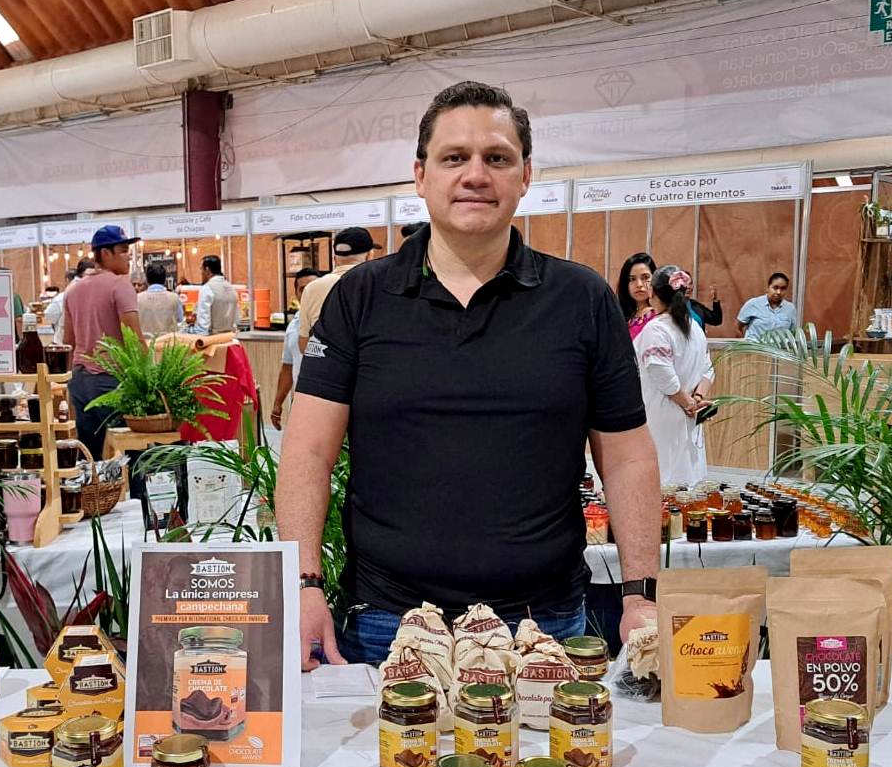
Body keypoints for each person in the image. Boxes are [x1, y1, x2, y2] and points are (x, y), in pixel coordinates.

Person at [282, 80, 659, 668]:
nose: (475, 175)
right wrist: (304, 584)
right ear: (421, 175)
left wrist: (640, 594)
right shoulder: (360, 298)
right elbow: (307, 452)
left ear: (525, 175)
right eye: (454, 157)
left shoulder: (581, 299)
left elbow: (628, 456)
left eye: (497, 158)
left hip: (543, 627)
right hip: (387, 625)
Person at [64, 227, 143, 456]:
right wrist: (149, 381)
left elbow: (68, 342)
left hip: (80, 381)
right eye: (123, 250)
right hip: (111, 380)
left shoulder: (73, 290)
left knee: (91, 454)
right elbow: (134, 339)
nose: (128, 256)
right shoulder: (120, 285)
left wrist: (66, 384)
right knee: (131, 451)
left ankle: (94, 482)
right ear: (105, 253)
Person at [634, 266, 714, 486]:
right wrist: (697, 399)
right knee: (685, 480)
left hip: (660, 416)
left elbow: (664, 377)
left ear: (653, 292)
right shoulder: (695, 328)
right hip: (687, 415)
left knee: (661, 479)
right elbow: (708, 370)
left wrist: (688, 403)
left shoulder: (656, 329)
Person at [295, 227, 380, 355]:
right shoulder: (379, 285)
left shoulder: (312, 288)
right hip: (368, 363)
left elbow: (304, 344)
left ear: (335, 259)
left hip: (326, 364)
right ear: (369, 256)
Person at [271, 268, 322, 429]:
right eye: (302, 289)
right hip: (300, 399)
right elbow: (288, 367)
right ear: (296, 293)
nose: (307, 293)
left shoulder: (335, 319)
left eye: (312, 287)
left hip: (329, 400)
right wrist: (277, 403)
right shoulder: (293, 325)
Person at [46, 260, 93, 346]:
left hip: (69, 341)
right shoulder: (74, 290)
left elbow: (49, 317)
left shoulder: (70, 290)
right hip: (68, 342)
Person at [737, 271, 796, 339]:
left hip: (779, 346)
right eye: (775, 287)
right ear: (768, 287)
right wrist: (744, 343)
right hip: (755, 345)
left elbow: (792, 332)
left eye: (783, 288)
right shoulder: (753, 304)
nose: (778, 292)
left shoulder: (790, 308)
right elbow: (738, 327)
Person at [192, 255, 238, 335]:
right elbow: (237, 319)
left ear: (207, 270)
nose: (201, 273)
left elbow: (203, 323)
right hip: (230, 336)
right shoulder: (232, 288)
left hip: (213, 337)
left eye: (201, 269)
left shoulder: (207, 288)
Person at [137, 261, 184, 339]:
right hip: (169, 344)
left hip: (145, 343)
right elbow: (180, 319)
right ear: (165, 280)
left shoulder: (137, 298)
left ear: (147, 280)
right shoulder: (175, 298)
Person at [616, 252, 657, 339]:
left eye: (645, 277)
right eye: (632, 279)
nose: (639, 284)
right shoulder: (622, 317)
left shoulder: (660, 315)